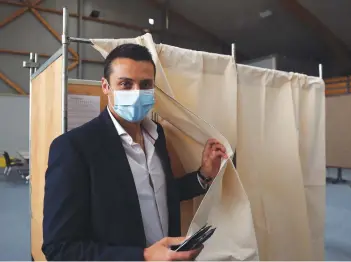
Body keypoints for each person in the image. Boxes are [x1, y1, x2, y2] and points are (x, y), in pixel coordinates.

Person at [42, 44, 227, 261]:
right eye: (125, 84)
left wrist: (203, 175)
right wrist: (144, 256)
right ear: (105, 86)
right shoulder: (75, 148)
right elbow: (59, 249)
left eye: (145, 84)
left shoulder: (157, 135)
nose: (136, 93)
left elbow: (159, 193)